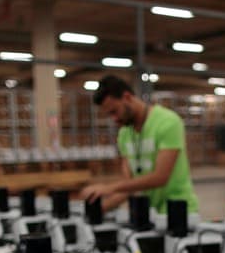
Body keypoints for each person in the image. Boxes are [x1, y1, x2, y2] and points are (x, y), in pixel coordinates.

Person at [80, 75, 200, 214]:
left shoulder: (168, 122)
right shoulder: (124, 134)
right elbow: (129, 186)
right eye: (109, 115)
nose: (114, 119)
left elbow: (160, 177)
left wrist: (110, 187)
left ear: (127, 97)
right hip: (150, 213)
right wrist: (96, 209)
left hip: (179, 211)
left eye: (114, 111)